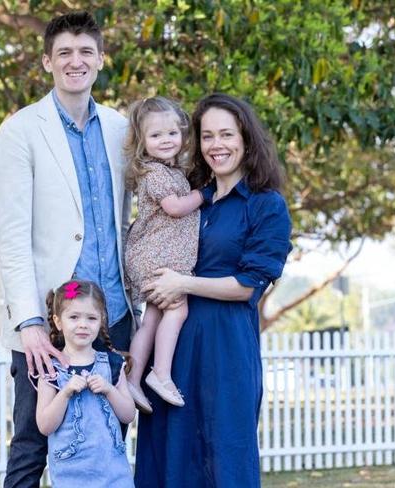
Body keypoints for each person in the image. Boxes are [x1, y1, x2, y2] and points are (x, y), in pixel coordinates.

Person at [0, 12, 135, 487]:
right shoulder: (20, 129)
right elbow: (11, 236)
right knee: (34, 444)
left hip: (113, 317)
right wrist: (30, 323)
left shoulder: (121, 128)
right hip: (50, 322)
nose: (76, 61)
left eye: (86, 52)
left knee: (110, 441)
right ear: (48, 62)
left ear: (100, 60)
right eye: (65, 53)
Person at [134, 93, 293, 487]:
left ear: (246, 138)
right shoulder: (190, 199)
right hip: (169, 355)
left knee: (224, 457)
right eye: (207, 136)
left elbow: (248, 285)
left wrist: (182, 283)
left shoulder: (265, 206)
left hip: (225, 348)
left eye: (226, 134)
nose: (216, 145)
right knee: (167, 459)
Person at [122, 97, 202, 412]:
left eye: (172, 133)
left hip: (155, 257)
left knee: (152, 317)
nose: (166, 140)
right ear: (142, 142)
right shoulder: (154, 173)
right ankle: (161, 374)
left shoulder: (173, 171)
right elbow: (174, 207)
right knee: (178, 309)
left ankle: (132, 377)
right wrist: (203, 194)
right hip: (155, 258)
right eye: (156, 136)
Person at [36, 280, 136, 488]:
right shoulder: (51, 370)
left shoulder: (112, 364)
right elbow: (45, 425)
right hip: (70, 476)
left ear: (101, 321)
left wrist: (109, 389)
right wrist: (65, 393)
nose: (83, 324)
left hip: (113, 475)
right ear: (58, 321)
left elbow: (128, 414)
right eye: (74, 317)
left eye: (91, 318)